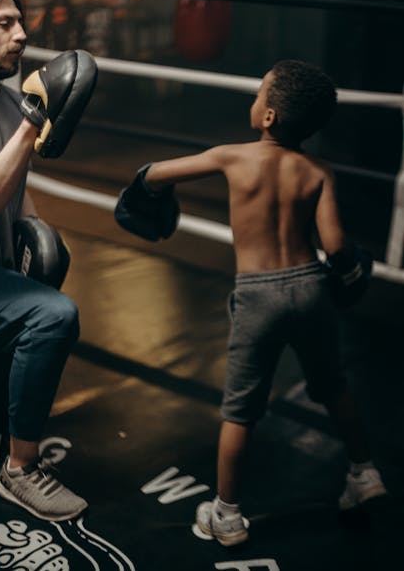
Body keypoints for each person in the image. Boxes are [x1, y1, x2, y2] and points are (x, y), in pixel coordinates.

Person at [115, 59, 387, 546]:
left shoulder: (231, 157)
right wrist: (349, 270)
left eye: (259, 93)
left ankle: (226, 513)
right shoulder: (318, 170)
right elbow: (337, 246)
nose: (253, 100)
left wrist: (146, 191)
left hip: (258, 295)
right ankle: (365, 473)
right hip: (311, 288)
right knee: (332, 386)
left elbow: (153, 174)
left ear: (267, 117)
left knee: (239, 411)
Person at [0, 0, 87, 521]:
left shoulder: (14, 101)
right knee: (53, 316)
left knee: (44, 283)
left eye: (21, 22)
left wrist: (37, 236)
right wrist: (33, 123)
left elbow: (15, 192)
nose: (22, 35)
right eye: (4, 24)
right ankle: (18, 472)